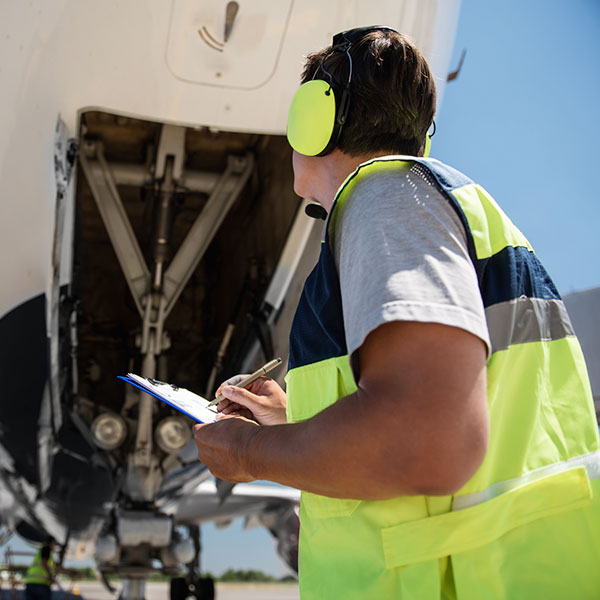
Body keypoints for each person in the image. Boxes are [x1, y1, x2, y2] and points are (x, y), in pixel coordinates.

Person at [193, 26, 600, 599]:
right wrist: (294, 425)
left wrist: (250, 453)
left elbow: (428, 438)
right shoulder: (430, 205)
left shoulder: (386, 202)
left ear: (314, 118)